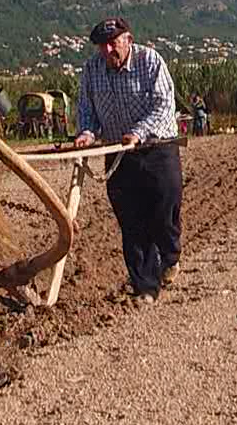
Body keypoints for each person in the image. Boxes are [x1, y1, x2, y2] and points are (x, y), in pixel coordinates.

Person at [74, 17, 182, 304]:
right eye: (103, 46)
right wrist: (86, 132)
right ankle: (145, 287)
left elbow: (163, 105)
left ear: (128, 40)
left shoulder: (150, 61)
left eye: (113, 43)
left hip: (157, 148)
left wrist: (137, 132)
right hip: (118, 154)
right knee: (131, 222)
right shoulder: (92, 70)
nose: (108, 50)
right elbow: (87, 108)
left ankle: (170, 256)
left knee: (163, 212)